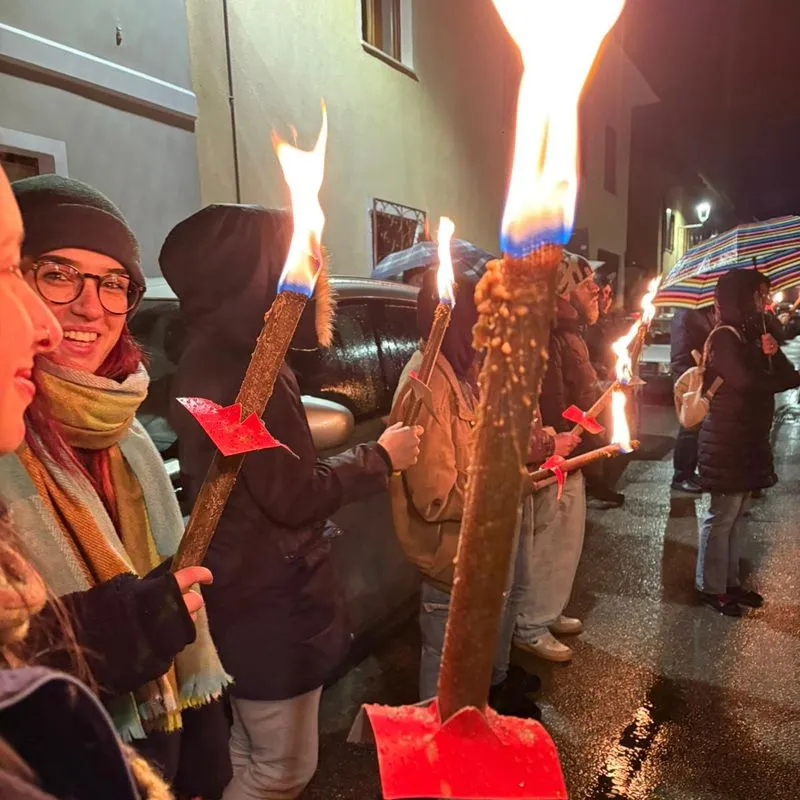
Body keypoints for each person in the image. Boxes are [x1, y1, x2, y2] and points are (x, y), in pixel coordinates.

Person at [162, 204, 422, 800]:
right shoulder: (239, 371)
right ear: (255, 276)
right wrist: (379, 456)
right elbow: (291, 494)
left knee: (246, 753)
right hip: (268, 600)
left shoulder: (212, 355)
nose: (316, 270)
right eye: (297, 257)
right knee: (281, 770)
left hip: (247, 591)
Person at [0, 175, 231, 798]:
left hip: (164, 749)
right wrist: (128, 622)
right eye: (58, 273)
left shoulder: (126, 433)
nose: (89, 307)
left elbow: (173, 616)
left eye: (112, 284)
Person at [388, 269, 545, 717]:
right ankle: (437, 753)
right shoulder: (427, 387)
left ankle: (487, 702)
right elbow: (435, 495)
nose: (488, 334)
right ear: (453, 322)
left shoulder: (462, 372)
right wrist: (504, 487)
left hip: (480, 543)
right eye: (482, 320)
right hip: (451, 557)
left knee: (482, 641)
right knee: (445, 665)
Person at [696, 269, 800, 616]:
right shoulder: (725, 336)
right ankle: (711, 587)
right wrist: (761, 356)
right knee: (722, 515)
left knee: (738, 515)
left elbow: (786, 378)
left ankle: (731, 583)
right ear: (740, 298)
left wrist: (770, 352)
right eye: (757, 295)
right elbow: (745, 382)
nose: (762, 302)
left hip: (747, 437)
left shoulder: (754, 333)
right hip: (726, 438)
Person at [514, 255, 601, 662]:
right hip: (556, 456)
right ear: (565, 289)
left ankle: (548, 611)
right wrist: (559, 438)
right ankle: (530, 624)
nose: (597, 292)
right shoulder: (551, 333)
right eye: (588, 285)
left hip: (572, 451)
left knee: (566, 541)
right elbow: (550, 401)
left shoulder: (572, 330)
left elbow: (578, 386)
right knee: (548, 542)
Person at [669, 306, 716, 493]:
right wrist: (687, 379)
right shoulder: (686, 315)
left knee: (697, 425)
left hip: (700, 375)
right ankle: (681, 476)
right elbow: (681, 352)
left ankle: (689, 472)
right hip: (689, 376)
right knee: (689, 425)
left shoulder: (704, 313)